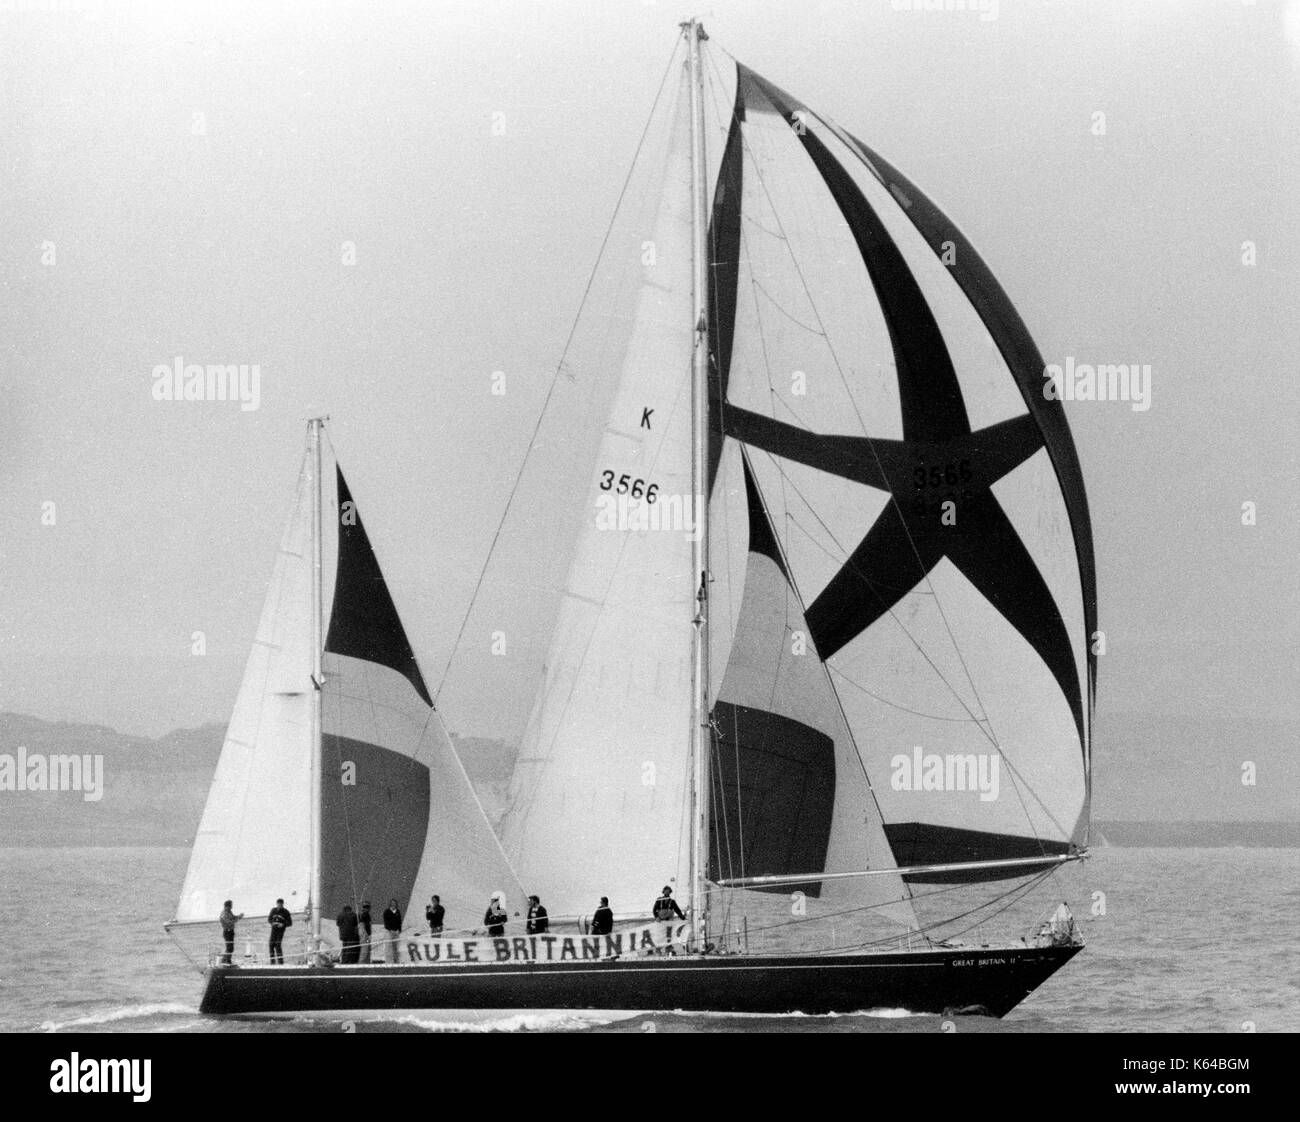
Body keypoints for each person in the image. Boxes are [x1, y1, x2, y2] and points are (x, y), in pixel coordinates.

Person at [267, 898, 292, 964]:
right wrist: (273, 922)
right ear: (277, 904)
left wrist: (283, 924)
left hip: (280, 931)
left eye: (280, 904)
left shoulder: (286, 912)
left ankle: (280, 962)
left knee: (278, 945)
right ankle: (272, 962)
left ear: (282, 904)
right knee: (271, 945)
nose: (279, 906)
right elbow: (269, 919)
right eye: (278, 904)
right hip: (274, 929)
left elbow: (290, 923)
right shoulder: (273, 910)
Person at [219, 900, 243, 965]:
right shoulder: (224, 914)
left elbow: (233, 917)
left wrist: (238, 916)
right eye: (230, 906)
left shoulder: (229, 912)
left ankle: (226, 960)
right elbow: (229, 922)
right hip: (227, 931)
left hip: (230, 931)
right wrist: (237, 919)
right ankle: (225, 961)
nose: (232, 907)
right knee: (229, 948)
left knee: (230, 948)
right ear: (227, 906)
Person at [382, 898, 402, 963]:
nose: (394, 904)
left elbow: (399, 921)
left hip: (396, 932)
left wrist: (399, 930)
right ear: (390, 904)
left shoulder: (397, 911)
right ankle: (389, 962)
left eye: (395, 903)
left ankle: (396, 961)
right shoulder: (387, 911)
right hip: (389, 932)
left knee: (396, 947)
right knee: (388, 948)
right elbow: (386, 922)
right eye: (392, 903)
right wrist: (390, 930)